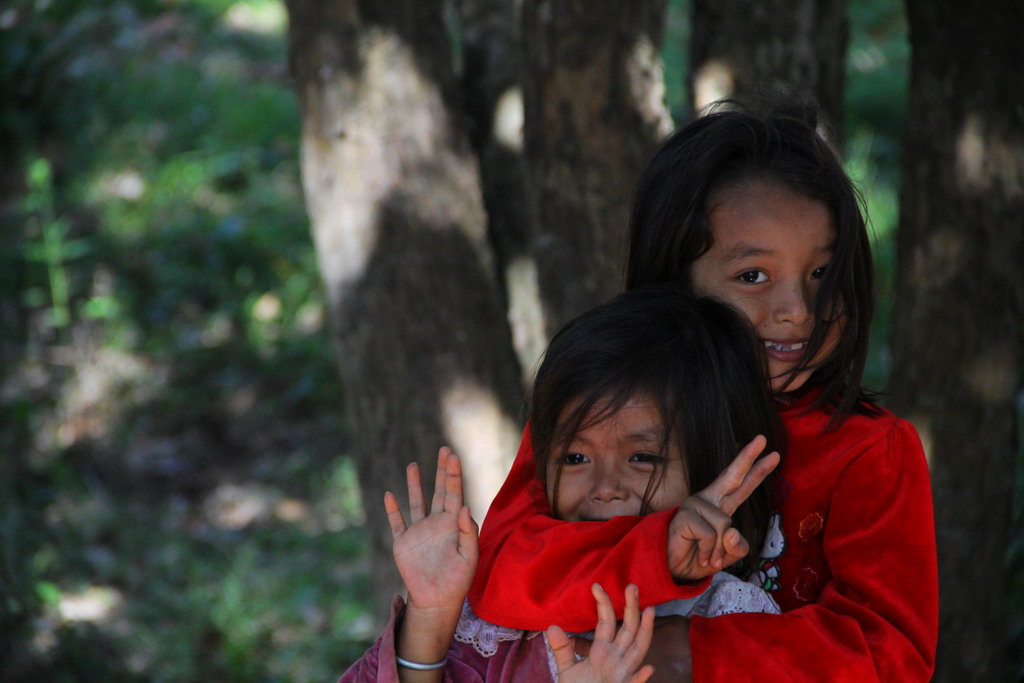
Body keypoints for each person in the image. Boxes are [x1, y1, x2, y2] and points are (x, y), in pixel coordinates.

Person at [467, 97, 939, 681]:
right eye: (752, 276)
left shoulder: (870, 453)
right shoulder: (597, 409)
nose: (796, 310)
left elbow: (892, 654)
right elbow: (503, 575)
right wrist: (657, 550)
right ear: (674, 279)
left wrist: (686, 650)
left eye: (822, 272)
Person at [340, 288, 784, 682]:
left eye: (642, 458)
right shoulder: (498, 618)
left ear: (707, 468)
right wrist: (431, 617)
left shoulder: (725, 616)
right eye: (575, 458)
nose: (605, 487)